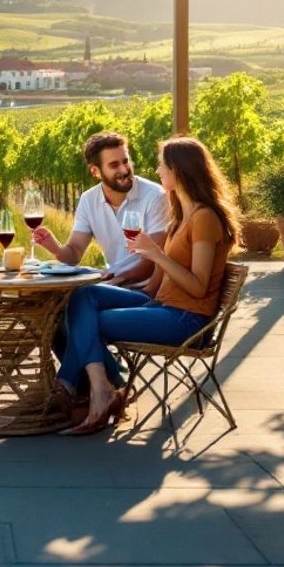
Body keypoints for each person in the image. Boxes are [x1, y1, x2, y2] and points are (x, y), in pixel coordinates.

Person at [53, 136, 240, 435]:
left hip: (185, 319)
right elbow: (161, 283)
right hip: (163, 306)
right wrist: (136, 285)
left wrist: (155, 255)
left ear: (179, 171)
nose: (156, 171)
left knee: (87, 322)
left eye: (162, 165)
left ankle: (90, 390)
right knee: (83, 297)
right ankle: (100, 387)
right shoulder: (182, 214)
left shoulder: (204, 218)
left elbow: (198, 288)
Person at [32, 132, 168, 289]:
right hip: (112, 282)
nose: (124, 170)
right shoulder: (89, 200)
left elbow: (153, 261)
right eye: (114, 165)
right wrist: (55, 247)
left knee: (83, 295)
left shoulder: (155, 196)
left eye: (126, 161)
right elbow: (74, 253)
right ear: (95, 171)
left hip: (143, 288)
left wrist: (114, 281)